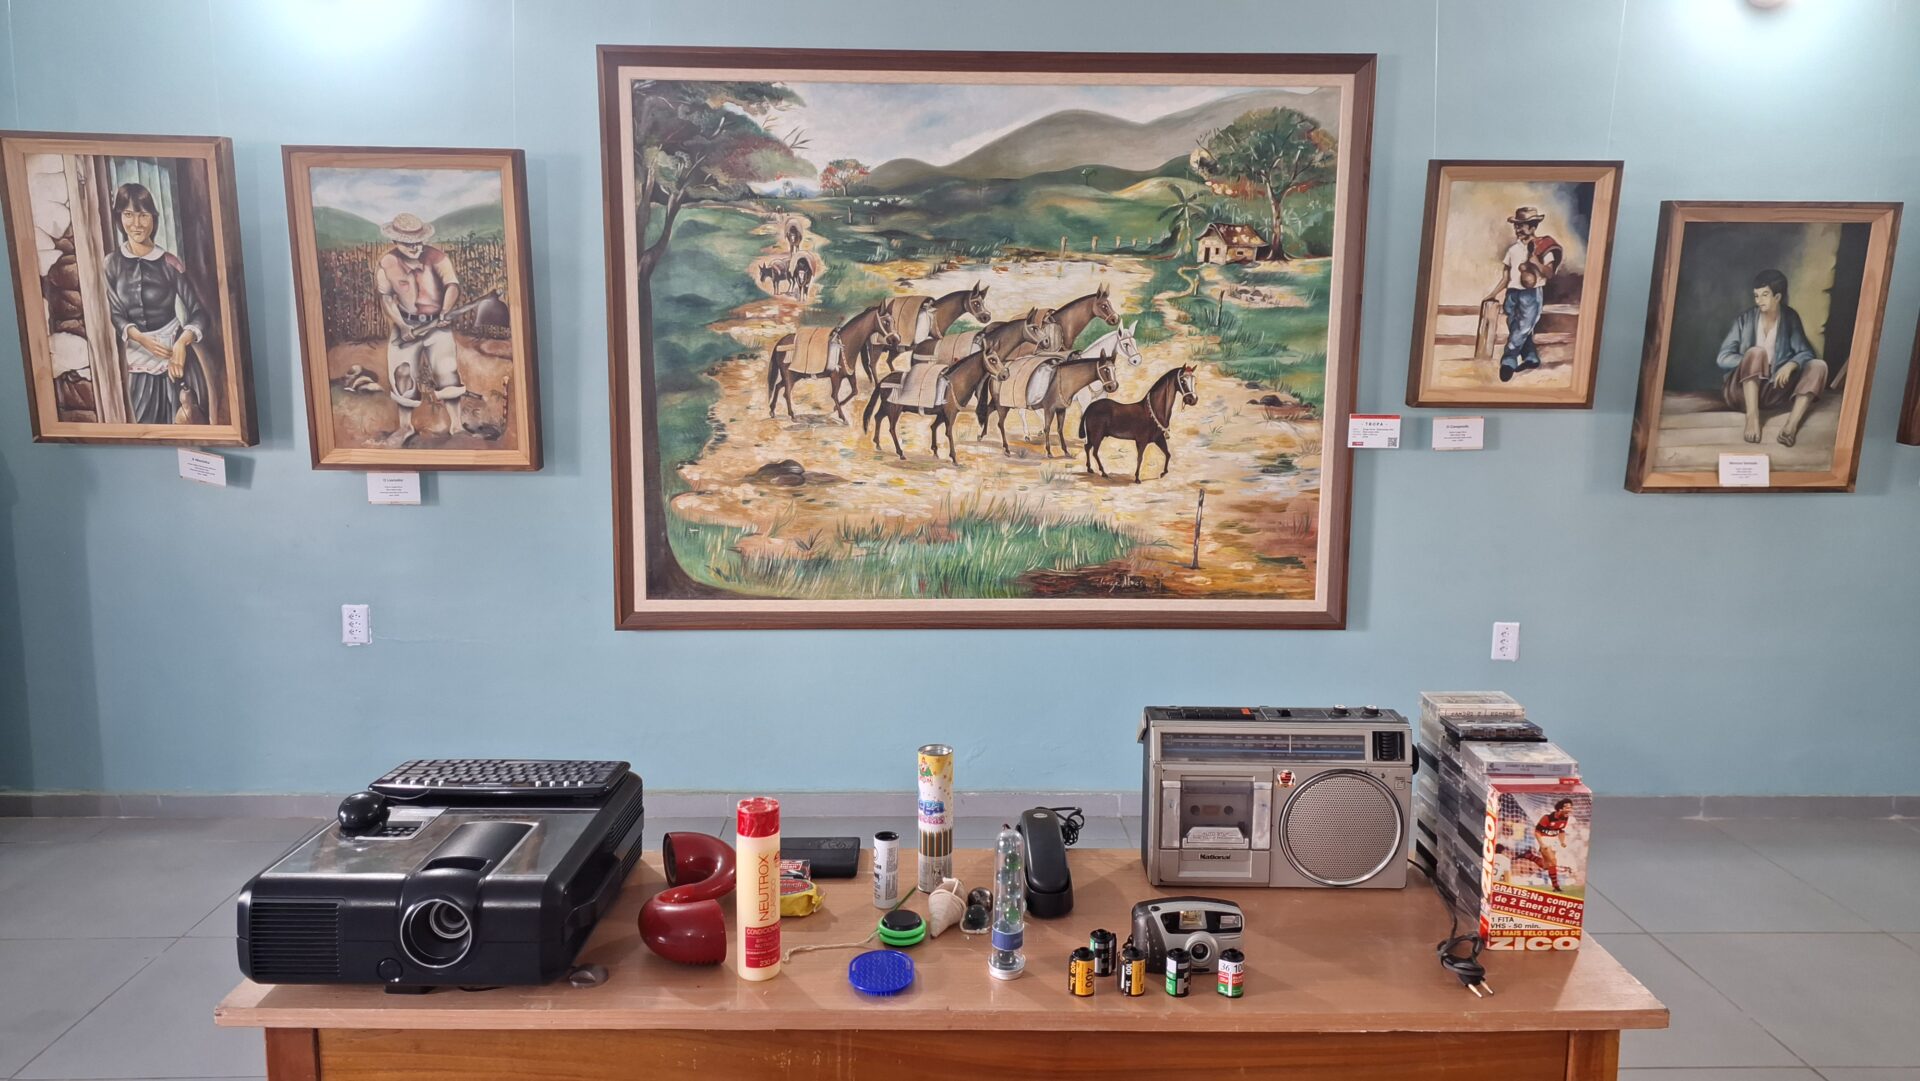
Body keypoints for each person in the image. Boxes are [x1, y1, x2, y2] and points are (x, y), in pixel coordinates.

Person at [103, 182, 210, 424]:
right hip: (140, 364)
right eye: (128, 214)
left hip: (177, 360)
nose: (136, 223)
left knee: (188, 426)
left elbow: (198, 312)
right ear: (119, 218)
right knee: (149, 428)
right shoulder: (111, 263)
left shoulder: (169, 262)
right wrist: (141, 339)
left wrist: (182, 343)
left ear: (154, 218)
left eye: (143, 215)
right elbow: (116, 314)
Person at [376, 213, 466, 444]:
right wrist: (402, 325)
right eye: (408, 243)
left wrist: (445, 310)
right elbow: (386, 298)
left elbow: (452, 285)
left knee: (447, 371)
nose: (415, 247)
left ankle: (457, 426)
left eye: (418, 241)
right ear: (396, 241)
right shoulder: (387, 263)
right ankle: (405, 427)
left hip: (438, 326)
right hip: (406, 327)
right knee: (402, 375)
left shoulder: (437, 258)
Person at [1716, 269, 1826, 447]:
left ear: (1778, 297)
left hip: (1774, 391)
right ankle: (1752, 418)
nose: (1758, 300)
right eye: (1756, 295)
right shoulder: (1745, 319)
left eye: (1764, 295)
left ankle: (1790, 427)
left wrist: (1791, 364)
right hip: (1742, 392)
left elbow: (1806, 352)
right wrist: (1751, 362)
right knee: (1757, 353)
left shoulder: (1790, 318)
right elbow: (1723, 358)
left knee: (1819, 365)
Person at [1482, 206, 1563, 383]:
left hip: (1531, 295)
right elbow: (1506, 277)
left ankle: (1508, 361)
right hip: (1512, 294)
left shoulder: (1544, 247)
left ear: (1533, 227)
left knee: (1522, 329)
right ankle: (1531, 358)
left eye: (1522, 225)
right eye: (1516, 225)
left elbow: (1549, 273)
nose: (1518, 229)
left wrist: (1536, 263)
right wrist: (1493, 294)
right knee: (1516, 328)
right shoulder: (1512, 250)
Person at [1531, 798, 1575, 893]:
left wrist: (1562, 842)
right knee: (1553, 861)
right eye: (1567, 807)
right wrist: (1541, 844)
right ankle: (1556, 886)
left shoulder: (1565, 818)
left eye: (1571, 807)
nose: (1570, 809)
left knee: (1546, 865)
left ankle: (1529, 856)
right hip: (1543, 839)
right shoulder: (1547, 818)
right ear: (1560, 809)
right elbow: (1537, 831)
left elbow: (1561, 831)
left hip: (1554, 840)